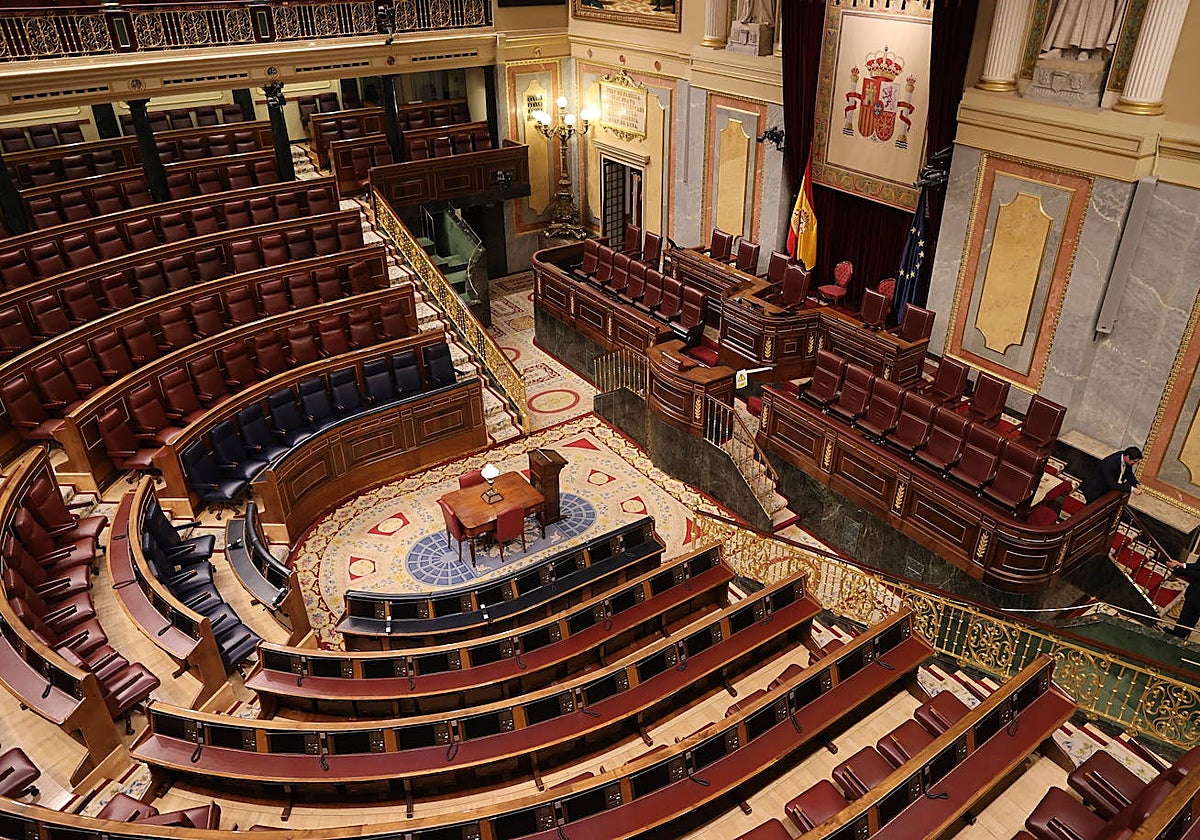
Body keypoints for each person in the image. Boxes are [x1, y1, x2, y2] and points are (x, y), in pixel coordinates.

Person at [1078, 446, 1144, 504]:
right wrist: (1132, 489)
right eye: (1134, 461)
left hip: (1105, 491)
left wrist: (1136, 484)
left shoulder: (1125, 458)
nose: (1135, 463)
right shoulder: (1110, 463)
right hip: (1093, 490)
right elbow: (1112, 484)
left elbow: (1129, 473)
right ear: (1127, 457)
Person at [1165, 557, 1200, 639]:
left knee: (1190, 616)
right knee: (1186, 615)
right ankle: (1177, 633)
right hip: (1195, 592)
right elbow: (1198, 566)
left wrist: (1177, 568)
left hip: (1198, 594)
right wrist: (1182, 565)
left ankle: (1179, 637)